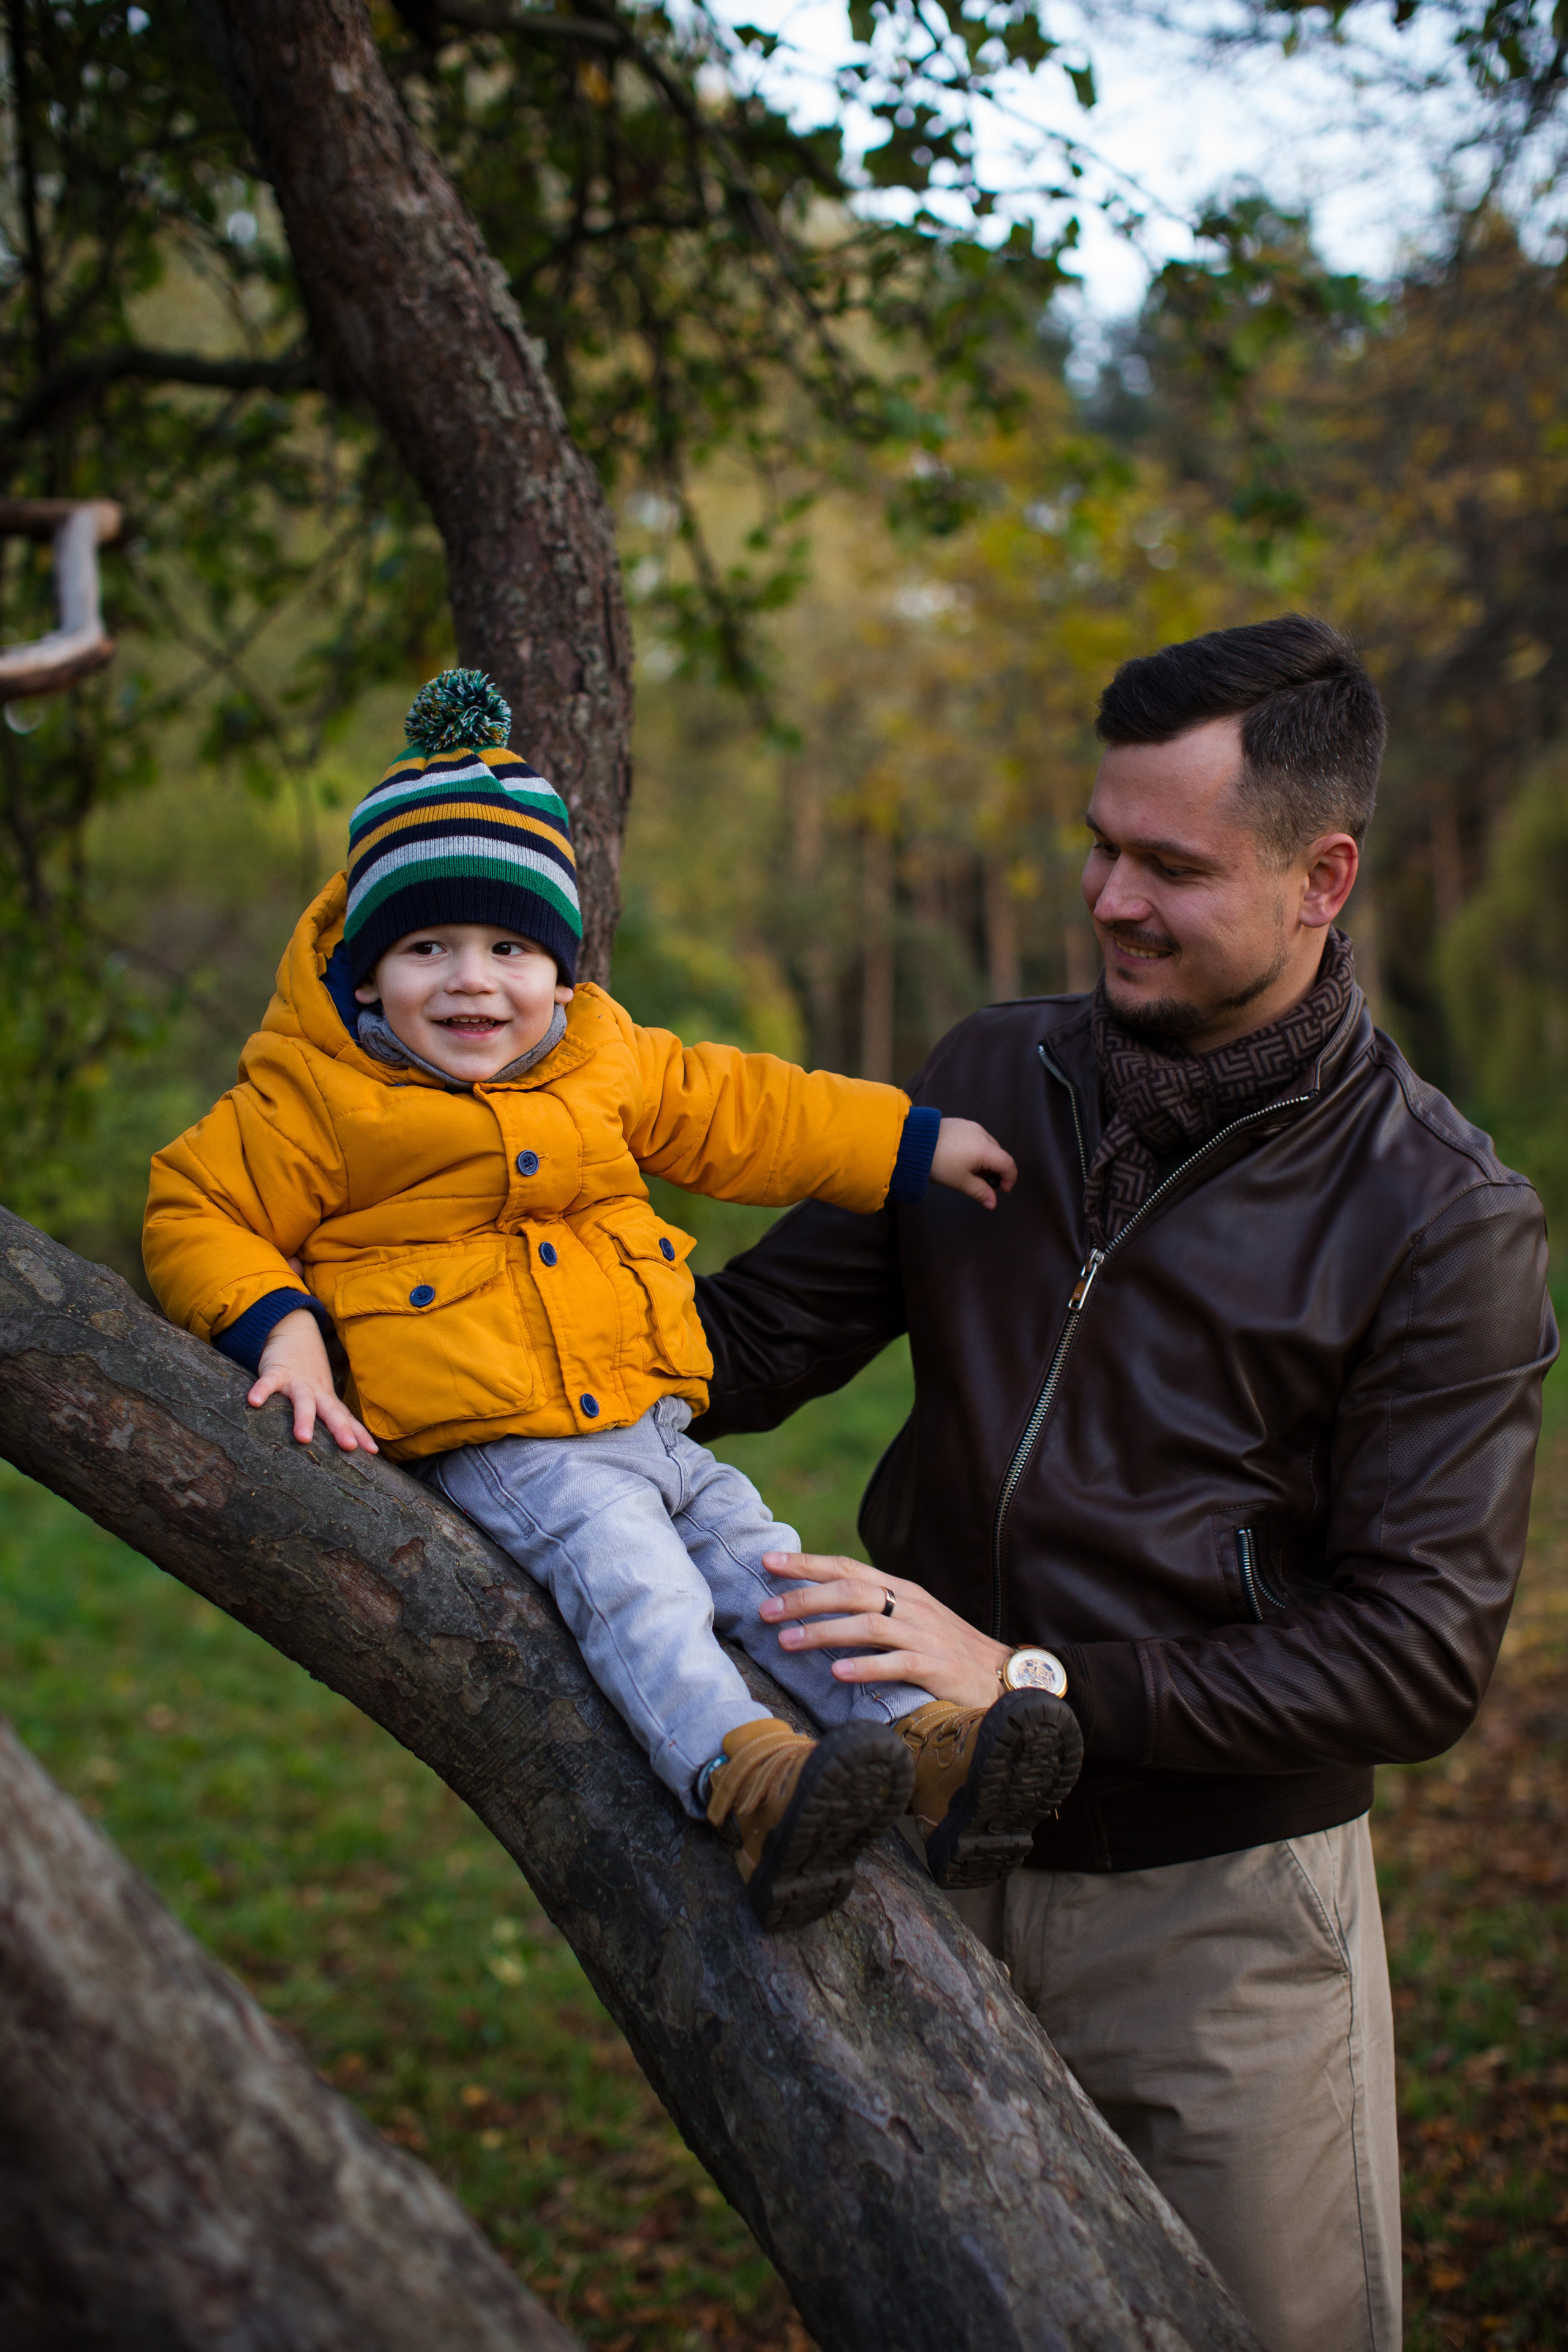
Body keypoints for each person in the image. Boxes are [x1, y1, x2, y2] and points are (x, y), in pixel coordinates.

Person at [690, 616, 1558, 2351]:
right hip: (919, 1867)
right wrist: (420, 1318)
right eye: (1099, 845)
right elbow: (744, 1345)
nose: (1106, 899)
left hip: (1219, 1934)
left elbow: (1416, 1658)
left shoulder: (1444, 1222)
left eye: (1169, 865)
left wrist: (1032, 1684)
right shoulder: (987, 1077)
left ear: (1325, 877)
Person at [142, 668, 1081, 1934]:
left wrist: (908, 1146)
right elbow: (192, 1206)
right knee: (633, 1580)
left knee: (774, 1573)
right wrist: (284, 1328)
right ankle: (743, 1773)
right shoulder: (317, 1102)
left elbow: (753, 1110)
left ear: (563, 976)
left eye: (509, 949)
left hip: (651, 1423)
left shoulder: (603, 1061)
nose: (472, 982)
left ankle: (929, 1748)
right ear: (365, 978)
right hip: (513, 1448)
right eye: (426, 948)